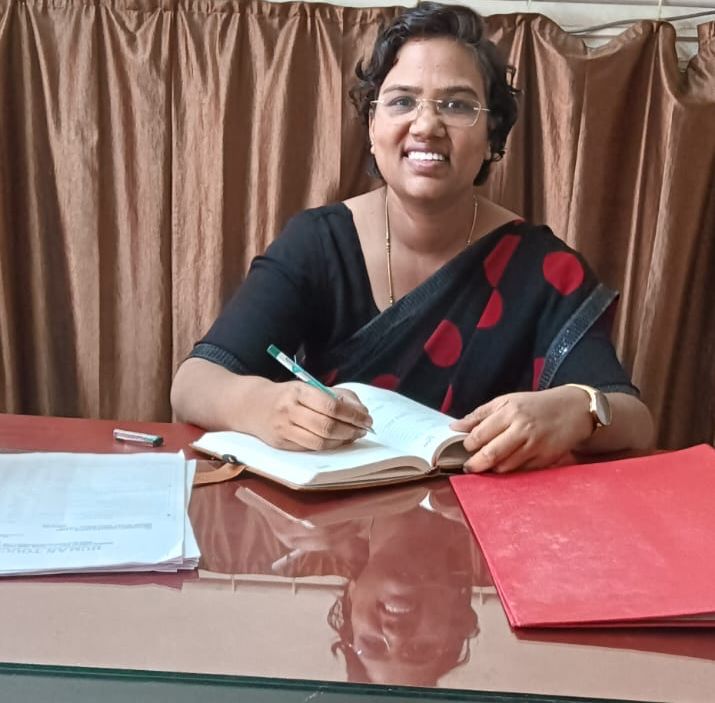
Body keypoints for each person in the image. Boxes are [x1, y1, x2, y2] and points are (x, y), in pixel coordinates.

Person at [171, 2, 653, 472]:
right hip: (330, 518)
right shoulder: (318, 243)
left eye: (457, 105)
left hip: (482, 516)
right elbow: (192, 382)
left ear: (492, 135)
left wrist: (579, 409)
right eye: (402, 101)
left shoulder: (542, 267)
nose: (426, 125)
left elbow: (635, 422)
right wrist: (261, 404)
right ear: (372, 126)